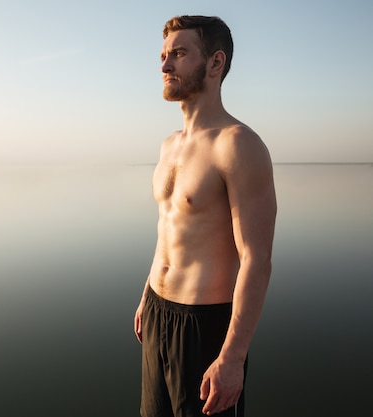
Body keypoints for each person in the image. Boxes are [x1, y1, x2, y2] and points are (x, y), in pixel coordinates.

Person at [134, 15, 277, 417]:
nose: (164, 66)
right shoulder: (169, 146)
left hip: (205, 327)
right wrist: (148, 292)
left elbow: (256, 259)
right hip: (160, 313)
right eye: (163, 55)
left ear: (215, 63)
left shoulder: (239, 146)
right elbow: (168, 228)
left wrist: (232, 358)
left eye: (178, 54)